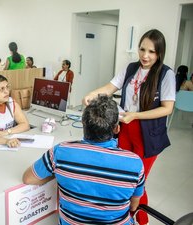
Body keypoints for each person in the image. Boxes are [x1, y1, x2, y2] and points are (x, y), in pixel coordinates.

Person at [83, 29, 175, 225]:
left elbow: (167, 108)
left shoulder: (166, 74)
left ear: (159, 53)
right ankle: (133, 217)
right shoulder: (131, 68)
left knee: (137, 181)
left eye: (151, 51)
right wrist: (92, 93)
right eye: (142, 49)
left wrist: (136, 115)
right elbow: (110, 87)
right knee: (125, 176)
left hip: (147, 135)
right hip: (125, 130)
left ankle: (140, 220)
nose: (145, 55)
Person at [23, 95, 145, 224]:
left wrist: (58, 171)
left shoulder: (61, 152)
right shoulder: (135, 163)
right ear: (116, 128)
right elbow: (133, 206)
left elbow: (28, 178)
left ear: (83, 123)